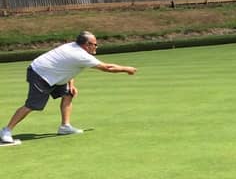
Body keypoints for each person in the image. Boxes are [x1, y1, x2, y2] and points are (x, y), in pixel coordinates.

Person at [1, 31, 137, 144]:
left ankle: (65, 126)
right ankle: (6, 131)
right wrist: (127, 69)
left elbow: (67, 66)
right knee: (32, 105)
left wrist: (71, 84)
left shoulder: (74, 47)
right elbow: (107, 68)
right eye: (95, 44)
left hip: (54, 74)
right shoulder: (80, 55)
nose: (96, 46)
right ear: (87, 44)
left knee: (68, 93)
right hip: (40, 74)